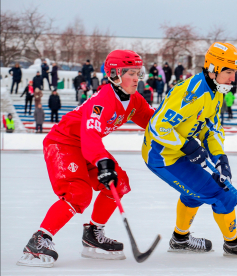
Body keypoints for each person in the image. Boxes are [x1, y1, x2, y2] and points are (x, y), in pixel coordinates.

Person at [16, 50, 156, 268]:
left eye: (139, 72)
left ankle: (93, 235)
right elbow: (90, 134)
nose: (137, 78)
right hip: (63, 143)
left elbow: (154, 123)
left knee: (118, 183)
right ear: (115, 74)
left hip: (85, 146)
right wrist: (101, 161)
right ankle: (39, 240)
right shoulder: (103, 101)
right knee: (78, 193)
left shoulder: (135, 100)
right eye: (131, 73)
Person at [142, 42, 237, 258]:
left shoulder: (216, 91)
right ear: (213, 69)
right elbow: (158, 126)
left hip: (179, 154)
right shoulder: (191, 93)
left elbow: (212, 129)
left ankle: (180, 240)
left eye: (234, 72)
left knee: (195, 194)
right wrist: (187, 146)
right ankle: (233, 243)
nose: (233, 78)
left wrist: (220, 159)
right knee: (223, 196)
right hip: (163, 156)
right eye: (229, 72)